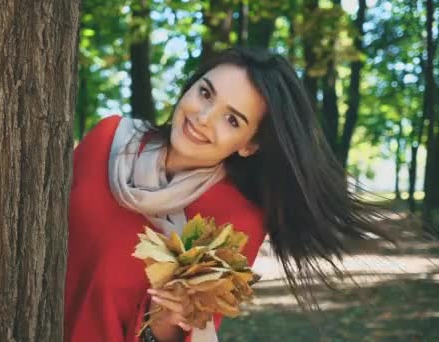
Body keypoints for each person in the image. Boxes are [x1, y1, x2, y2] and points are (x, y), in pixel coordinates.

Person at [63, 47, 396, 342]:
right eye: (206, 93)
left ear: (249, 145)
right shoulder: (108, 141)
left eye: (232, 120)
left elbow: (181, 332)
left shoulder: (235, 220)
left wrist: (166, 322)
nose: (203, 118)